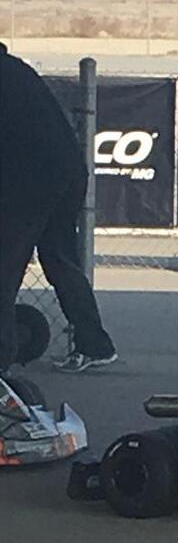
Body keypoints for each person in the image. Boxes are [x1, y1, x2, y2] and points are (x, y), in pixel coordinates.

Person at [0, 43, 117, 374]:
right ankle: (95, 344)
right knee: (60, 258)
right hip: (65, 171)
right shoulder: (16, 69)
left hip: (29, 180)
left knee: (5, 265)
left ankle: (2, 356)